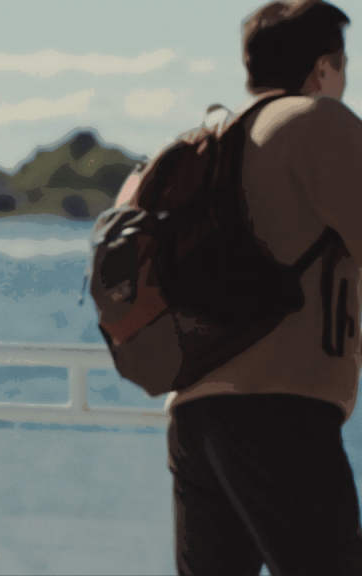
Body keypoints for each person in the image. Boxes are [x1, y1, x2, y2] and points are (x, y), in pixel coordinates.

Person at [166, 1, 362, 574]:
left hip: (194, 419)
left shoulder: (212, 140)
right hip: (277, 413)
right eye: (344, 65)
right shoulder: (318, 121)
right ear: (324, 67)